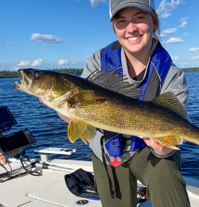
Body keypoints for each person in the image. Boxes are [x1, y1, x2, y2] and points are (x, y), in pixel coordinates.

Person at [55, 0, 190, 206]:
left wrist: (163, 148)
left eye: (139, 18)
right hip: (109, 149)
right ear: (114, 28)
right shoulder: (97, 62)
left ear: (153, 22)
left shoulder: (171, 75)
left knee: (166, 173)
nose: (131, 28)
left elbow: (176, 129)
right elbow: (77, 117)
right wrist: (59, 105)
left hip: (148, 150)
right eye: (122, 21)